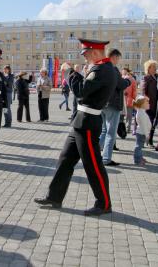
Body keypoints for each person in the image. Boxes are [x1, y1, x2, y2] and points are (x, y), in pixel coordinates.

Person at [34, 38, 118, 216]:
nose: (85, 57)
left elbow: (81, 92)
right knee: (65, 160)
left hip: (88, 122)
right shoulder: (101, 67)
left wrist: (70, 72)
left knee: (93, 164)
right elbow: (85, 90)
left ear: (95, 52)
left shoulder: (103, 69)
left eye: (86, 54)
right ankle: (54, 196)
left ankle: (104, 203)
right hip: (81, 121)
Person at [99, 49, 131, 166]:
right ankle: (106, 159)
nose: (118, 60)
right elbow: (121, 84)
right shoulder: (113, 69)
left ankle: (95, 155)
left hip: (102, 104)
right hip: (113, 104)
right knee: (110, 133)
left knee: (104, 131)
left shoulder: (102, 68)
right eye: (118, 58)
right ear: (114, 56)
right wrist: (128, 81)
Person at [141, 60, 158, 147]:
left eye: (156, 67)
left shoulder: (157, 77)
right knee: (148, 123)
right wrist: (146, 100)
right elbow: (143, 91)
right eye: (153, 67)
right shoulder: (146, 78)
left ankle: (150, 140)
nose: (155, 69)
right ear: (148, 68)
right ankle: (145, 140)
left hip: (156, 104)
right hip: (149, 105)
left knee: (153, 123)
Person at [133, 96, 151, 165]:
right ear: (142, 104)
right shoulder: (141, 113)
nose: (149, 104)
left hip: (142, 132)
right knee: (138, 147)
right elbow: (144, 126)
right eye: (147, 102)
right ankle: (137, 160)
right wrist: (147, 135)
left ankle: (140, 157)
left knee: (140, 146)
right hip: (142, 133)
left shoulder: (141, 112)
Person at [123, 68, 137, 134]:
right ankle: (127, 129)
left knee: (122, 116)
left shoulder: (122, 78)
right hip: (129, 100)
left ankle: (122, 128)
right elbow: (134, 91)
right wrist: (135, 98)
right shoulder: (132, 79)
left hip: (123, 100)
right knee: (129, 116)